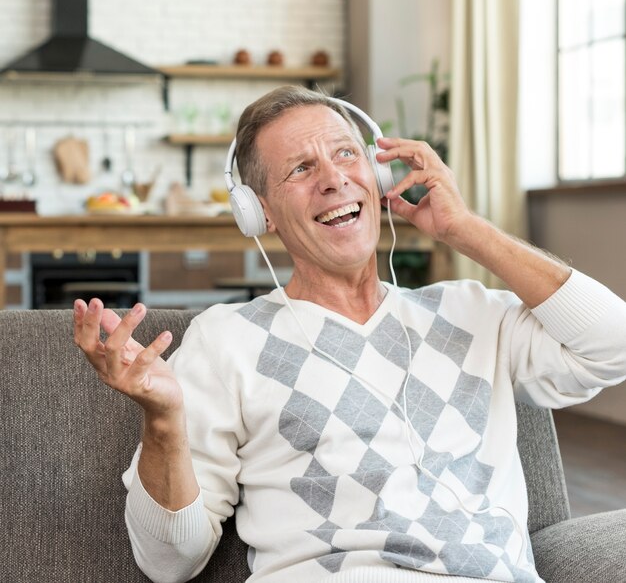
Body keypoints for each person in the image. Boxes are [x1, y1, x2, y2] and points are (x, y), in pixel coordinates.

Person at [74, 86, 626, 583]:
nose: (333, 178)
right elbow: (169, 562)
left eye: (345, 154)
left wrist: (465, 229)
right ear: (258, 212)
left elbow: (613, 345)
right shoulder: (226, 339)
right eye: (299, 169)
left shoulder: (472, 312)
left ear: (379, 175)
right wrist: (164, 421)